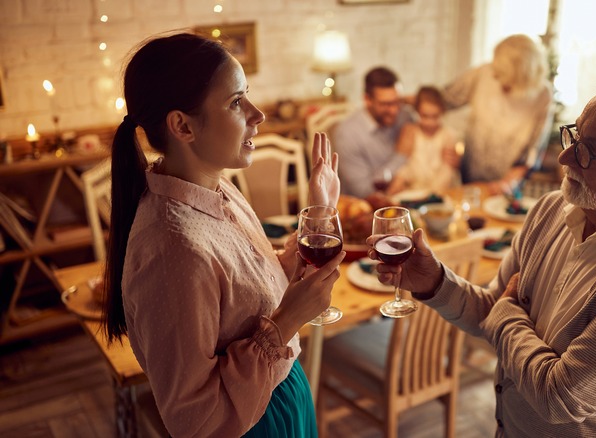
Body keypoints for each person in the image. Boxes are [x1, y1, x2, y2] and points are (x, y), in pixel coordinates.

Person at [369, 72, 596, 437]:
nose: (565, 157)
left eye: (590, 151)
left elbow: (559, 396)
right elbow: (492, 310)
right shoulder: (552, 209)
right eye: (575, 135)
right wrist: (435, 282)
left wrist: (506, 314)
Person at [102, 33, 345, 437]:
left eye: (247, 95)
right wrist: (287, 322)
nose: (257, 113)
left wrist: (318, 216)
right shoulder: (173, 249)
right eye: (235, 102)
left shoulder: (217, 189)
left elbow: (253, 290)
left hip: (281, 399)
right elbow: (196, 422)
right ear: (182, 125)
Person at [444, 34, 553, 194]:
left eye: (501, 73)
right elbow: (443, 99)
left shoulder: (542, 95)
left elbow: (533, 151)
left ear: (520, 75)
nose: (494, 75)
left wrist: (507, 183)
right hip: (469, 174)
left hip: (507, 186)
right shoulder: (484, 73)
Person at [333, 66, 413, 198]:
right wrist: (401, 156)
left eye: (397, 102)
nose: (394, 111)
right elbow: (364, 192)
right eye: (386, 104)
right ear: (367, 100)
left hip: (405, 199)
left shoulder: (405, 116)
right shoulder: (347, 135)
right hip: (365, 210)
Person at [387, 86, 460, 195]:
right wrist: (399, 180)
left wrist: (432, 194)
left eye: (435, 116)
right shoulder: (411, 132)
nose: (430, 122)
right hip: (415, 192)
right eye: (425, 116)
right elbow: (407, 165)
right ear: (417, 112)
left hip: (442, 192)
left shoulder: (448, 135)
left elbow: (447, 170)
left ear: (442, 112)